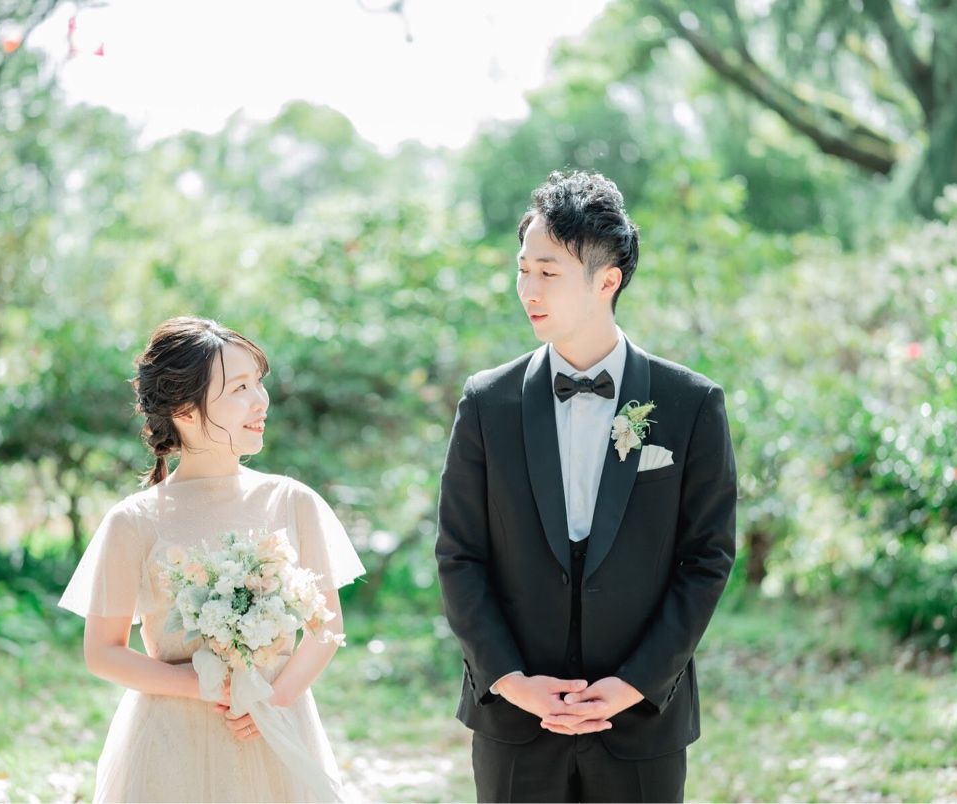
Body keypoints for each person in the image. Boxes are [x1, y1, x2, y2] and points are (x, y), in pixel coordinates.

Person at [436, 171, 737, 802]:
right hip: (515, 721)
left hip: (642, 719)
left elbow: (706, 558)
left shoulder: (690, 403)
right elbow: (460, 555)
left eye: (548, 273)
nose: (528, 290)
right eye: (523, 270)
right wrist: (511, 681)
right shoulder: (487, 402)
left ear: (607, 281)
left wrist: (636, 683)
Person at [59, 316, 365, 802]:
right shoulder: (135, 521)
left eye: (258, 383)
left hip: (275, 731)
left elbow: (326, 627)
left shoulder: (292, 502)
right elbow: (103, 652)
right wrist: (203, 686)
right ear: (184, 408)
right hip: (169, 744)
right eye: (239, 387)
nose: (261, 401)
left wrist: (273, 703)